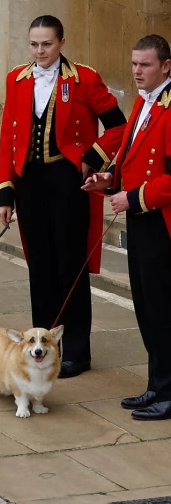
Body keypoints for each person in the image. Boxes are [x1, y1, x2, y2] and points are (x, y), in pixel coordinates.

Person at [0, 15, 126, 378]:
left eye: (47, 44)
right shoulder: (16, 79)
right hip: (31, 184)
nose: (40, 51)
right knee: (39, 266)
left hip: (68, 182)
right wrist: (5, 191)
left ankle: (78, 353)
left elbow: (119, 125)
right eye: (34, 44)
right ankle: (43, 348)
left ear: (62, 43)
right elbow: (8, 137)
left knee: (71, 267)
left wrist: (92, 158)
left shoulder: (84, 79)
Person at [83, 34, 171, 419]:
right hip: (140, 220)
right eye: (134, 64)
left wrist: (132, 198)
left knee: (164, 310)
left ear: (166, 66)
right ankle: (157, 386)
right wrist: (109, 181)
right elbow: (131, 159)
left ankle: (169, 394)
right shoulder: (142, 102)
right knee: (147, 309)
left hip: (162, 224)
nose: (137, 71)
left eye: (145, 65)